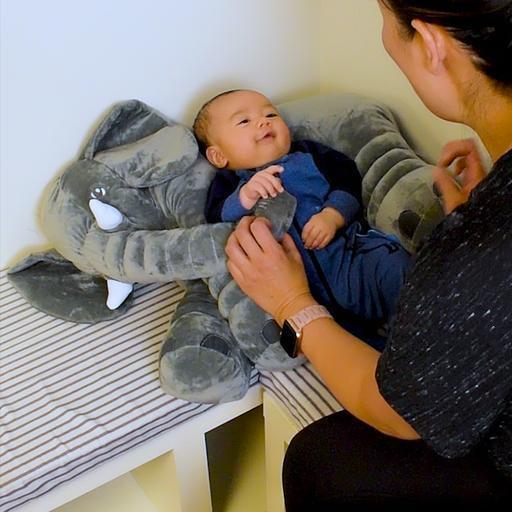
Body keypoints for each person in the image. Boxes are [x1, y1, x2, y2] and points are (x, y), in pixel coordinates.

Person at [224, 0, 512, 506]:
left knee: (319, 460)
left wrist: (293, 304)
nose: (264, 124)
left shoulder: (483, 251)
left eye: (382, 17)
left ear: (430, 44)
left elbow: (398, 409)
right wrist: (483, 204)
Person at [194, 89, 411, 349]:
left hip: (351, 257)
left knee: (394, 263)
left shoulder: (308, 155)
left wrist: (333, 215)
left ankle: (417, 325)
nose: (263, 121)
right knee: (341, 341)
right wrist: (246, 195)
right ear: (219, 156)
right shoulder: (230, 184)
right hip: (302, 291)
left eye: (270, 114)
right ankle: (386, 356)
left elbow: (348, 180)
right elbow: (217, 219)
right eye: (244, 121)